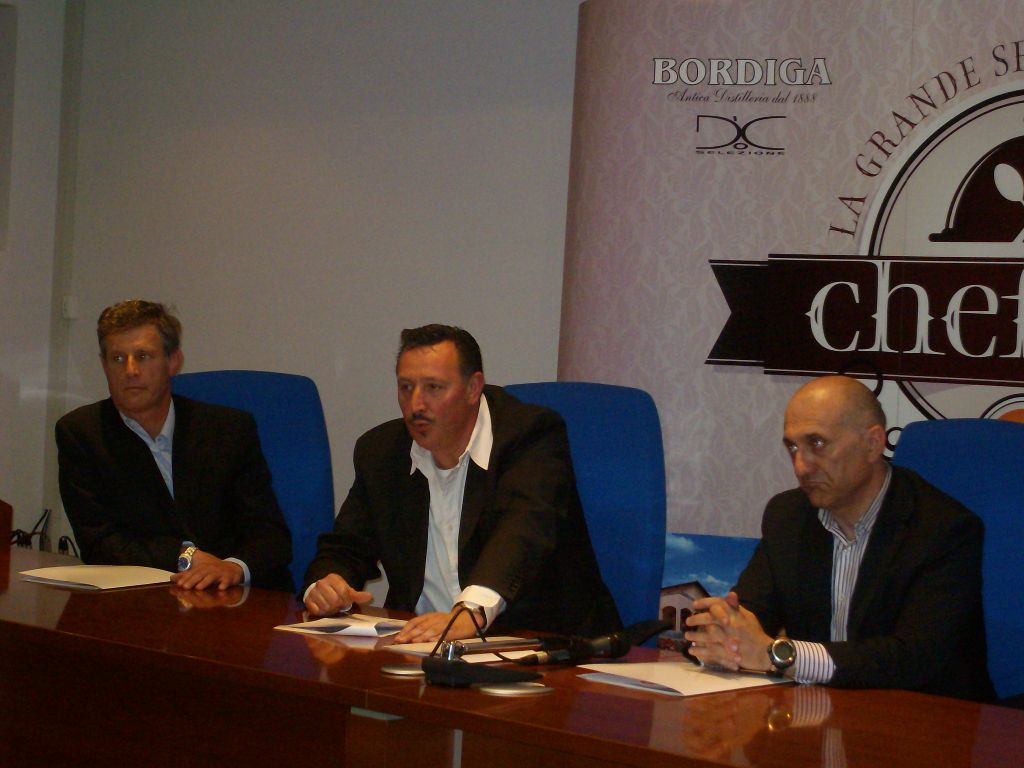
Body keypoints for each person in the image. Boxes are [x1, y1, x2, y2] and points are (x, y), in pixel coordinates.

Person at [303, 324, 620, 643]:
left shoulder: (530, 436)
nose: (416, 405)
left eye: (433, 387)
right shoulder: (381, 452)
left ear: (472, 388)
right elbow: (345, 547)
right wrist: (327, 585)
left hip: (538, 642)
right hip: (418, 643)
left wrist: (471, 612)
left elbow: (523, 532)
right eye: (406, 387)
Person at [685, 375, 994, 701]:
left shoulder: (943, 528)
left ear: (872, 444)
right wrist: (721, 635)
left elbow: (912, 659)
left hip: (926, 717)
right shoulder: (788, 516)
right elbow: (748, 618)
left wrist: (780, 655)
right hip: (818, 711)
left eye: (817, 444)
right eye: (792, 447)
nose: (801, 467)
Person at [56, 300, 293, 591]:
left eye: (143, 356)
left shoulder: (228, 430)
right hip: (147, 597)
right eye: (117, 358)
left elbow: (271, 535)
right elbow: (99, 543)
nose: (130, 370)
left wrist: (233, 568)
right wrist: (185, 557)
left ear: (173, 362)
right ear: (104, 365)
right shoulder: (83, 434)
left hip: (237, 596)